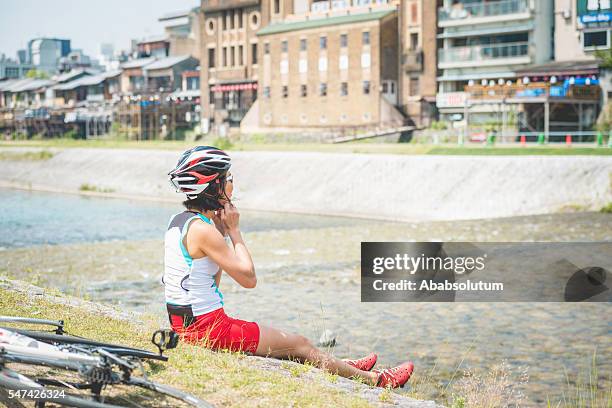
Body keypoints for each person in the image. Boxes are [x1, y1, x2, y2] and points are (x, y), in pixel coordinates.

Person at [163, 146, 414, 388]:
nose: (232, 183)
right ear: (214, 186)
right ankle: (377, 381)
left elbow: (208, 283)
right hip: (208, 329)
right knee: (300, 344)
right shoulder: (203, 231)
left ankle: (345, 366)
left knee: (290, 345)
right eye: (227, 177)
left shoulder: (180, 222)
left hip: (187, 325)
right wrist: (234, 231)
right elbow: (249, 279)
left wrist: (221, 232)